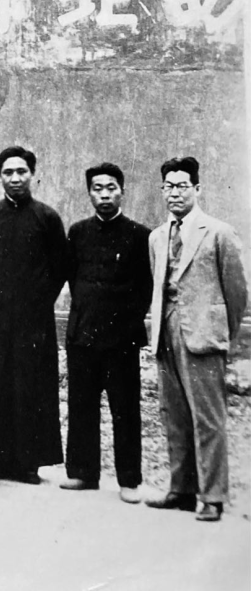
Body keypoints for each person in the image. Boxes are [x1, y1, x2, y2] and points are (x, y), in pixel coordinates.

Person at [145, 156, 248, 522]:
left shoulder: (218, 232)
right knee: (173, 415)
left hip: (204, 335)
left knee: (208, 418)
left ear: (197, 189)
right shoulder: (157, 237)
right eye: (168, 187)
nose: (174, 193)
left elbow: (237, 292)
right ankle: (182, 489)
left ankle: (213, 496)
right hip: (166, 332)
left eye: (182, 186)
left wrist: (220, 333)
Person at [60, 163, 152, 503]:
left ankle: (129, 479)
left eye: (111, 188)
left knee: (125, 409)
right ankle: (83, 473)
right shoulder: (78, 232)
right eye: (97, 189)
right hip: (83, 336)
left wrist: (124, 323)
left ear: (122, 191)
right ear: (89, 194)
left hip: (121, 340)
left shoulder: (140, 235)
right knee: (81, 406)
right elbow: (74, 279)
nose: (104, 195)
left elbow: (145, 288)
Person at [0, 146, 67, 483]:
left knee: (32, 388)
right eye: (8, 173)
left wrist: (39, 302)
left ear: (32, 175)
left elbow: (60, 268)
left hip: (34, 322)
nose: (15, 178)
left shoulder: (47, 218)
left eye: (21, 172)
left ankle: (29, 462)